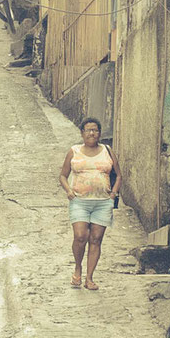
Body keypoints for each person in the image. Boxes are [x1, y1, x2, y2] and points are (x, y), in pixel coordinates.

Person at [58, 117, 123, 291]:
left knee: (96, 239)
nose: (92, 133)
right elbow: (63, 175)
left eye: (95, 130)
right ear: (82, 133)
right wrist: (69, 191)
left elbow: (119, 175)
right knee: (80, 236)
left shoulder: (107, 150)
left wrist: (113, 194)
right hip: (79, 201)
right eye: (88, 130)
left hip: (102, 203)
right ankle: (78, 268)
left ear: (99, 133)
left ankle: (89, 278)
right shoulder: (74, 151)